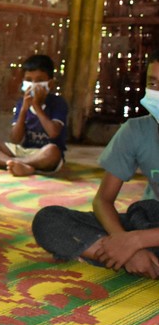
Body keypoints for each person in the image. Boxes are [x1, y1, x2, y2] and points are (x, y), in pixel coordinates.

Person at [32, 49, 159, 279]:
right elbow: (103, 200)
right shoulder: (136, 130)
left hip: (147, 237)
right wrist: (125, 242)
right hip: (148, 221)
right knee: (48, 221)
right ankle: (134, 258)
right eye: (153, 83)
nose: (157, 91)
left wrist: (137, 241)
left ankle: (128, 255)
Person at [0, 54, 68, 177]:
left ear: (50, 84)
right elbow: (15, 138)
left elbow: (53, 133)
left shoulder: (58, 103)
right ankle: (17, 164)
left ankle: (6, 162)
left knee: (52, 152)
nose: (33, 84)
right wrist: (23, 110)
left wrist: (37, 107)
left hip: (44, 152)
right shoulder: (21, 103)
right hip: (23, 151)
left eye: (39, 80)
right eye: (29, 80)